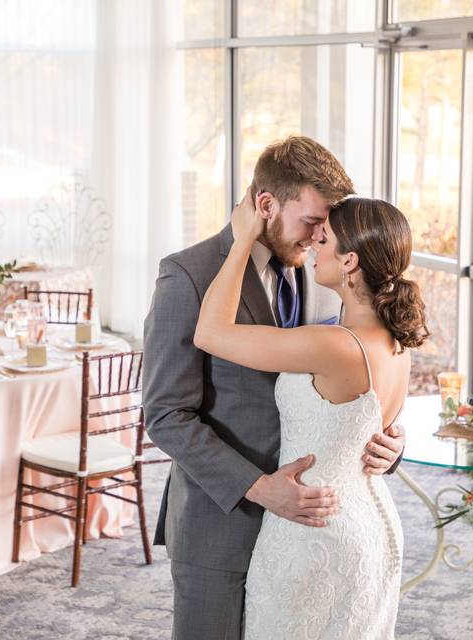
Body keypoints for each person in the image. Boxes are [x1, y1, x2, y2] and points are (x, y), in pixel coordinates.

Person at [144, 135, 409, 639]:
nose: (317, 238)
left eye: (326, 228)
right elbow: (165, 416)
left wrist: (385, 437)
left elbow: (351, 382)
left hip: (307, 535)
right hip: (223, 524)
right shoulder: (188, 276)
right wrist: (262, 488)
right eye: (312, 222)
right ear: (265, 204)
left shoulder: (320, 275)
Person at [195, 192, 429, 638]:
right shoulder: (397, 344)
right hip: (371, 525)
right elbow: (364, 428)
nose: (311, 247)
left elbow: (210, 332)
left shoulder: (334, 345)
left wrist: (243, 238)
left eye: (323, 240)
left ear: (350, 262)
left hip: (313, 532)